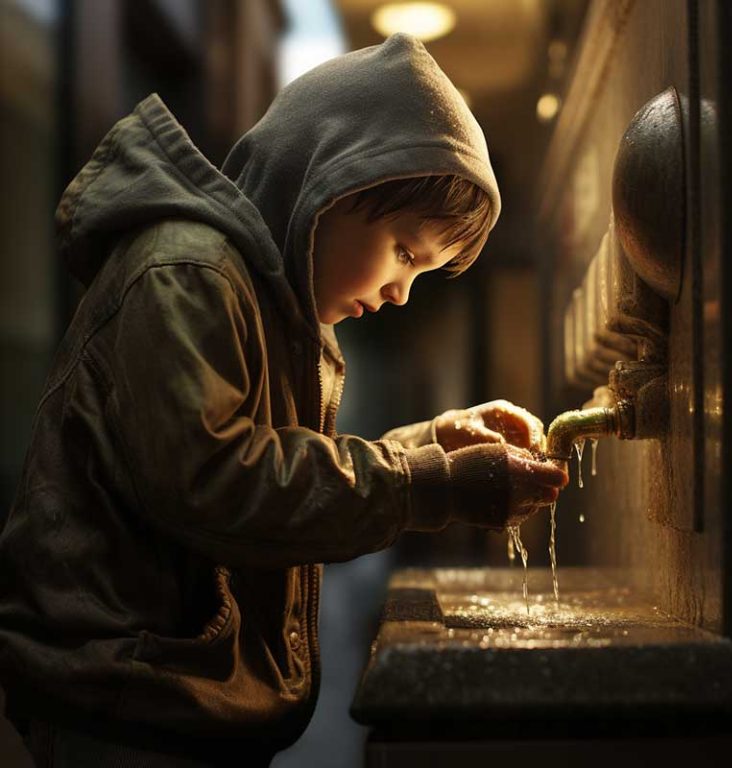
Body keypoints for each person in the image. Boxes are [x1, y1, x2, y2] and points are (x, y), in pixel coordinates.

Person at [0, 33, 567, 767]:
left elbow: (272, 467)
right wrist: (431, 486)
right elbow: (218, 481)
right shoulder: (187, 273)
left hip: (160, 688)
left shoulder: (266, 307)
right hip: (123, 696)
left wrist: (429, 447)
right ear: (332, 185)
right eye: (404, 250)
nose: (401, 291)